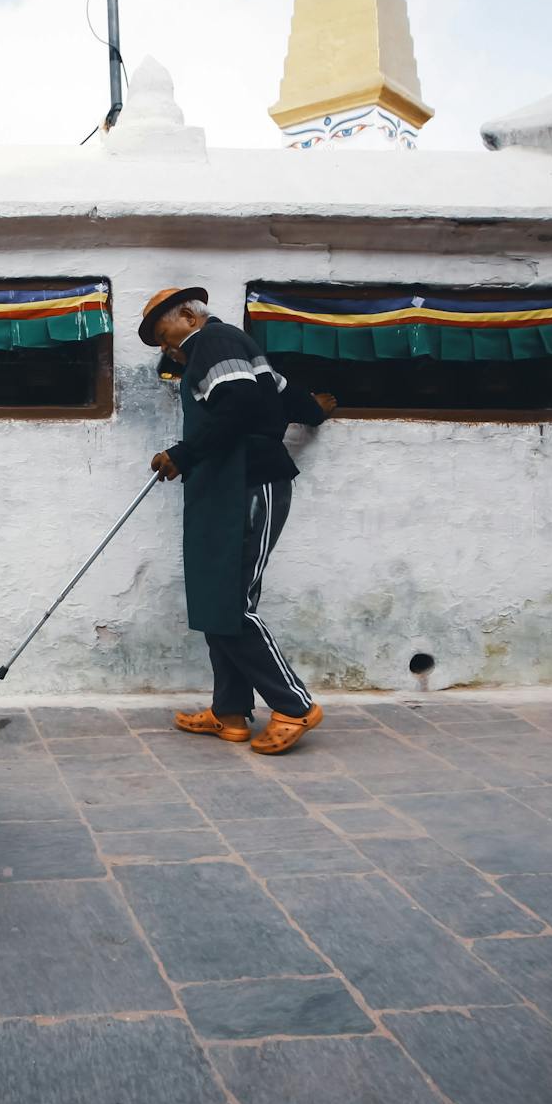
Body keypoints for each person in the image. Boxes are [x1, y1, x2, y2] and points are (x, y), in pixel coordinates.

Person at [140, 286, 335, 755]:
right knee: (216, 598)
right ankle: (228, 711)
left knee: (232, 602)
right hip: (225, 486)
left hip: (249, 483)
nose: (165, 348)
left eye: (162, 333)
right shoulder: (234, 351)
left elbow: (241, 405)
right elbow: (288, 400)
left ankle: (294, 705)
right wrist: (316, 409)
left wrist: (182, 453)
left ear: (189, 315)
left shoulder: (214, 341)